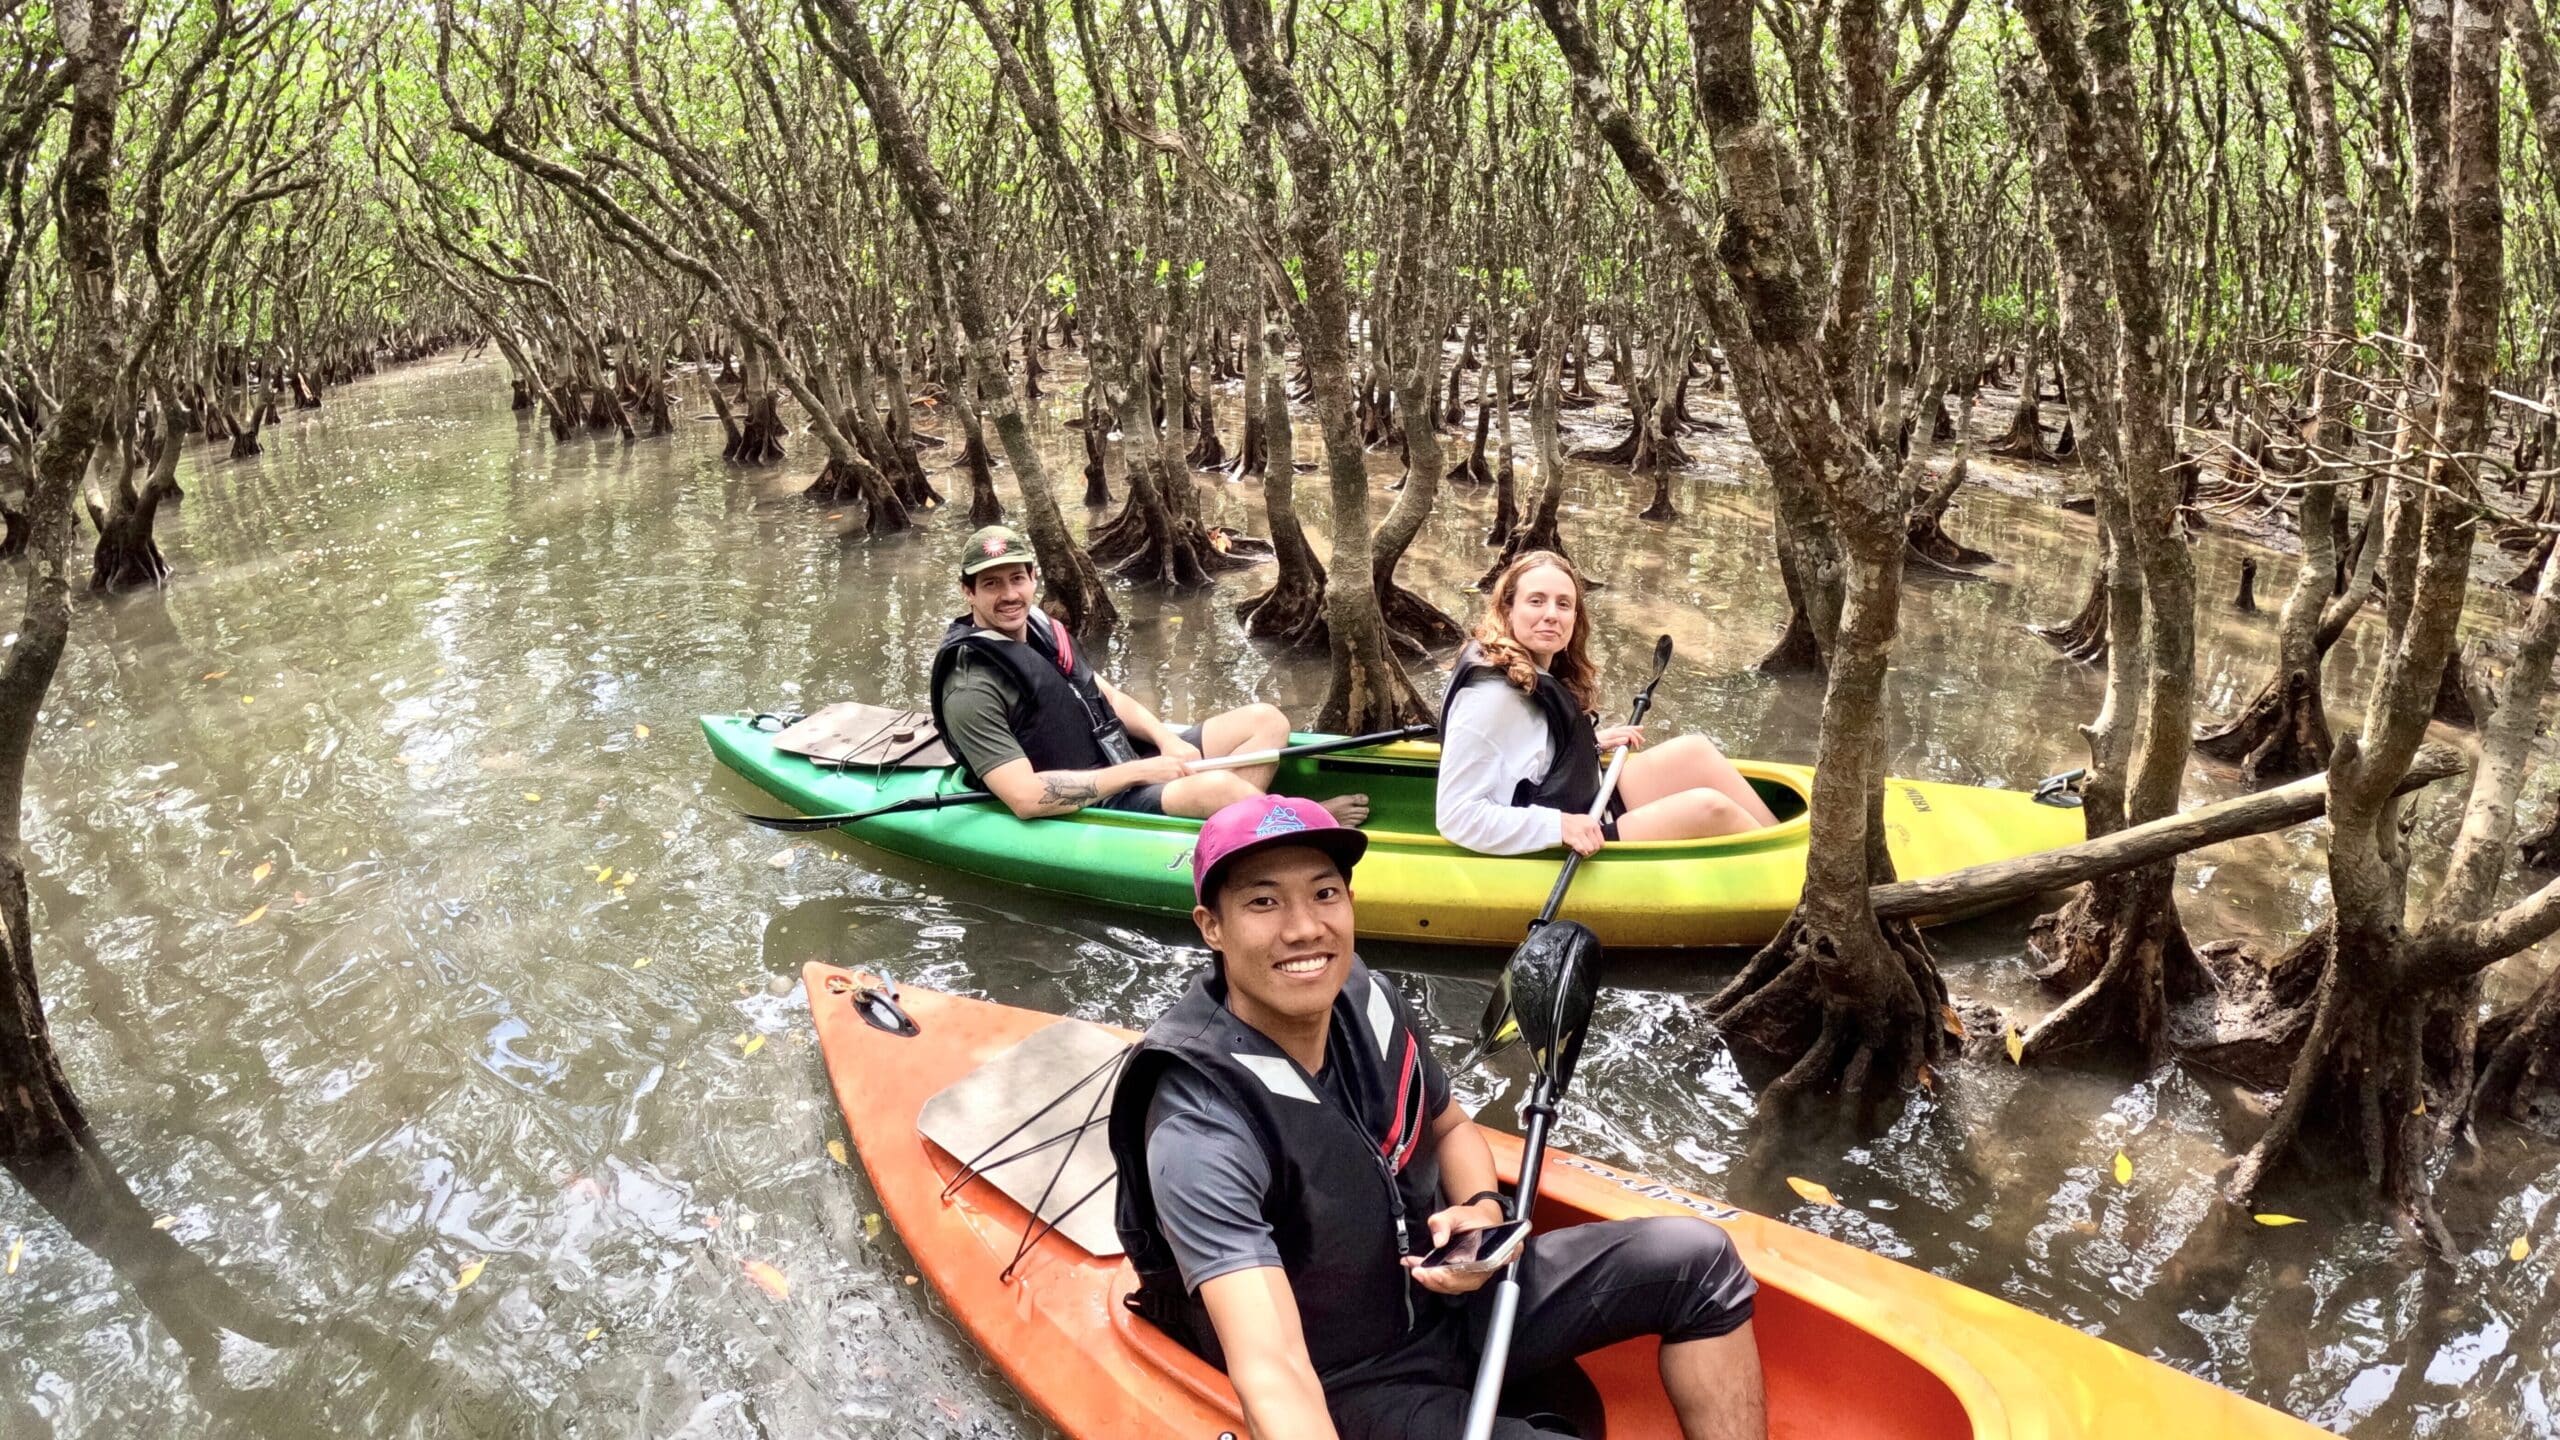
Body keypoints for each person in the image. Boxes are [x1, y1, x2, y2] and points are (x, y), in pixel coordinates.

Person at [1108, 794, 1766, 1440]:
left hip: (1449, 1302)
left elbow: (1449, 1128)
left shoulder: (1366, 999)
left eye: (1324, 894)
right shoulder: (1200, 1122)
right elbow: (1274, 1370)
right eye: (1263, 901)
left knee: (1697, 1259)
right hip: (1353, 1380)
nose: (1304, 927)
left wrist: (1480, 1209)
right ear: (1211, 926)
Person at [928, 525, 1366, 823]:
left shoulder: (1042, 628)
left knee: (1267, 721)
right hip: (1097, 790)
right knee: (1219, 789)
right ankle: (1299, 821)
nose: (1009, 595)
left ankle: (1238, 825)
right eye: (991, 584)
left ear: (1032, 580)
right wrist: (1142, 773)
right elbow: (1024, 798)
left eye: (1016, 579)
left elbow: (1108, 698)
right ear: (968, 591)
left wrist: (1165, 739)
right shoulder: (969, 686)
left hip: (1120, 752)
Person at [1436, 551, 1777, 857]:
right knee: (1710, 807)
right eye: (1536, 601)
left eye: (1563, 604)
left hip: (1584, 799)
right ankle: (1791, 885)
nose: (1552, 615)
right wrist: (1559, 827)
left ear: (1575, 617)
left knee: (1694, 752)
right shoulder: (1489, 698)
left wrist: (1586, 746)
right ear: (1508, 609)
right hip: (1561, 835)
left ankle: (1790, 854)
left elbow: (1528, 751)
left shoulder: (1529, 665)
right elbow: (1456, 815)